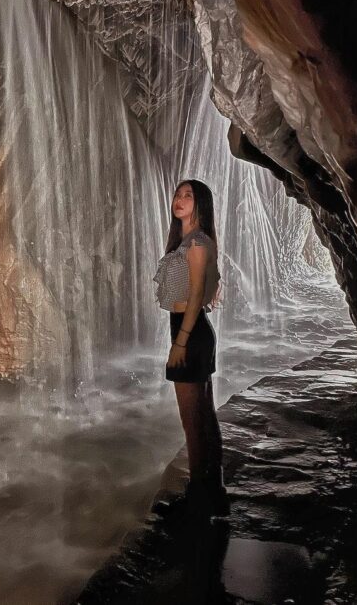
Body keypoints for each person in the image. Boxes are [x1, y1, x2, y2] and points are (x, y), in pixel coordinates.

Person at [153, 179, 230, 516]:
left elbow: (197, 294)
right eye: (178, 194)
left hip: (191, 332)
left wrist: (180, 343)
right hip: (194, 330)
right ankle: (212, 491)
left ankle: (200, 497)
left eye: (189, 196)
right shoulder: (189, 241)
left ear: (200, 205)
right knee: (204, 416)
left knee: (193, 421)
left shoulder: (196, 242)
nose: (179, 200)